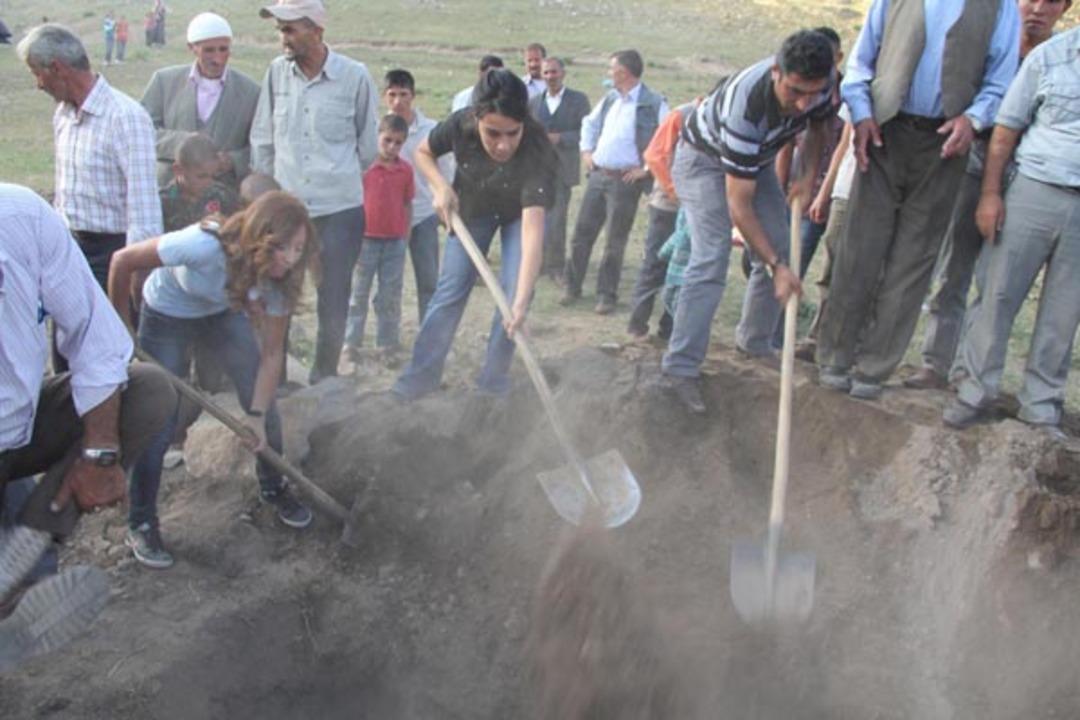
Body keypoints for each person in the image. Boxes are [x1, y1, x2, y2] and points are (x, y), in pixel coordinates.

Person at [0, 183, 175, 662]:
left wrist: (99, 453)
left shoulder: (21, 218)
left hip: (19, 420)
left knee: (150, 392)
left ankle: (26, 551)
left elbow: (99, 341)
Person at [815, 0, 1020, 400]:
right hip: (881, 133)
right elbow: (861, 64)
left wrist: (973, 118)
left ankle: (874, 369)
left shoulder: (1000, 6)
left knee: (914, 259)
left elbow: (1001, 80)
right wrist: (860, 114)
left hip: (945, 144)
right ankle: (835, 358)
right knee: (859, 249)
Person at [107, 191, 318, 568]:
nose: (290, 258)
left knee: (264, 400)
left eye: (299, 249)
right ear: (259, 238)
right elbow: (122, 261)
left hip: (222, 311)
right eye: (282, 247)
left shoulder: (280, 279)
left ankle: (274, 486)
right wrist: (122, 330)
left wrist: (254, 415)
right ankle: (141, 521)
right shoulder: (204, 246)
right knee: (159, 419)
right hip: (168, 312)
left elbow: (272, 355)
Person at [660, 30, 836, 414]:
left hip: (756, 161)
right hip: (702, 160)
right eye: (795, 92)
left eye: (813, 93)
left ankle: (755, 343)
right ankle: (680, 367)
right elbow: (740, 207)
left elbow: (821, 127)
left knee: (781, 243)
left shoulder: (822, 85)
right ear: (777, 71)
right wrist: (775, 267)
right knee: (712, 255)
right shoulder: (748, 105)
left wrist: (806, 177)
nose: (804, 103)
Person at [909, 0, 1072, 391]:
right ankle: (937, 361)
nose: (1036, 9)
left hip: (1030, 179)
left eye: (1049, 1)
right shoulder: (993, 46)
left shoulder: (1064, 58)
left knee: (997, 280)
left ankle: (971, 371)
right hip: (975, 164)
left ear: (1064, 8)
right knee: (954, 266)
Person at [943, 25, 1080, 436]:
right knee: (999, 292)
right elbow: (1004, 133)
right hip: (1035, 188)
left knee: (1065, 310)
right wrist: (990, 195)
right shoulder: (1050, 57)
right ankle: (974, 390)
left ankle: (1040, 406)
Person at [392, 69, 558, 401]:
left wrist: (523, 300)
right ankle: (417, 381)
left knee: (512, 301)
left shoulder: (538, 151)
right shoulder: (460, 124)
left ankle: (492, 385)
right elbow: (422, 153)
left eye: (512, 133)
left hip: (517, 216)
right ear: (477, 117)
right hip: (473, 210)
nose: (503, 144)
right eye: (492, 133)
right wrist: (439, 188)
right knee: (450, 291)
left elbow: (531, 235)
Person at [250, 0, 379, 385]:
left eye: (290, 29)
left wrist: (333, 177)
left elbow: (368, 148)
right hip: (288, 209)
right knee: (279, 291)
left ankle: (324, 376)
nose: (282, 37)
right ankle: (279, 374)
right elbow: (263, 138)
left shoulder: (354, 76)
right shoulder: (276, 74)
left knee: (333, 295)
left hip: (339, 207)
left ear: (317, 32)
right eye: (280, 29)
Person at [17, 24, 162, 293]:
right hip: (70, 250)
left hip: (112, 255)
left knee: (111, 333)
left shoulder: (125, 117)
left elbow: (144, 209)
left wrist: (137, 275)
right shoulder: (63, 114)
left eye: (37, 73)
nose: (38, 84)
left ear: (57, 69)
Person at [561, 49, 668, 315]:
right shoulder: (610, 99)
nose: (609, 74)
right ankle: (571, 287)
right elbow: (589, 124)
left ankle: (606, 296)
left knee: (614, 241)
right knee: (581, 235)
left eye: (612, 69)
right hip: (599, 176)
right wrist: (587, 152)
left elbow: (668, 139)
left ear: (624, 72)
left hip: (624, 182)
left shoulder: (653, 103)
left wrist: (646, 169)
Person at [141, 12, 262, 189]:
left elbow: (261, 144)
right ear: (192, 48)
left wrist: (232, 161)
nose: (218, 59)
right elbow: (141, 131)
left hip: (224, 196)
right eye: (209, 50)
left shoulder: (251, 91)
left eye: (223, 49)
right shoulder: (163, 82)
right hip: (170, 193)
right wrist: (183, 144)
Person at [381, 69, 454, 324]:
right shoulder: (378, 132)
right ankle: (388, 338)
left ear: (413, 95)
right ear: (384, 97)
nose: (398, 101)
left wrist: (444, 205)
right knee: (389, 283)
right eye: (392, 95)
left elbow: (446, 171)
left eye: (403, 94)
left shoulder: (431, 130)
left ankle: (429, 332)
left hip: (423, 215)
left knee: (428, 280)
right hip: (388, 220)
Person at [344, 114, 415, 366]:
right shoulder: (364, 168)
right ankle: (351, 343)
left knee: (389, 295)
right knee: (358, 293)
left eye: (398, 143)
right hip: (365, 240)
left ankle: (387, 343)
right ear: (377, 137)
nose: (392, 147)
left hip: (394, 241)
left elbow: (407, 204)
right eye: (387, 141)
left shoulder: (405, 170)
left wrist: (405, 235)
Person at [626, 100, 698, 342]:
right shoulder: (682, 115)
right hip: (668, 205)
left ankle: (668, 329)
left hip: (695, 209)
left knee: (682, 269)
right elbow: (654, 156)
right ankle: (637, 326)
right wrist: (674, 190)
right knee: (656, 263)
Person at [528, 56, 592, 283]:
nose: (550, 77)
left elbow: (587, 133)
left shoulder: (579, 100)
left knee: (557, 218)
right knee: (537, 218)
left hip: (563, 169)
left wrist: (561, 138)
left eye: (554, 72)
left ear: (563, 74)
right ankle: (538, 263)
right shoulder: (534, 102)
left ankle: (556, 266)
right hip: (537, 169)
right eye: (546, 73)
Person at [159, 134, 241, 232]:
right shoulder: (163, 202)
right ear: (178, 170)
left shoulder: (222, 195)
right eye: (202, 176)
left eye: (214, 175)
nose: (209, 182)